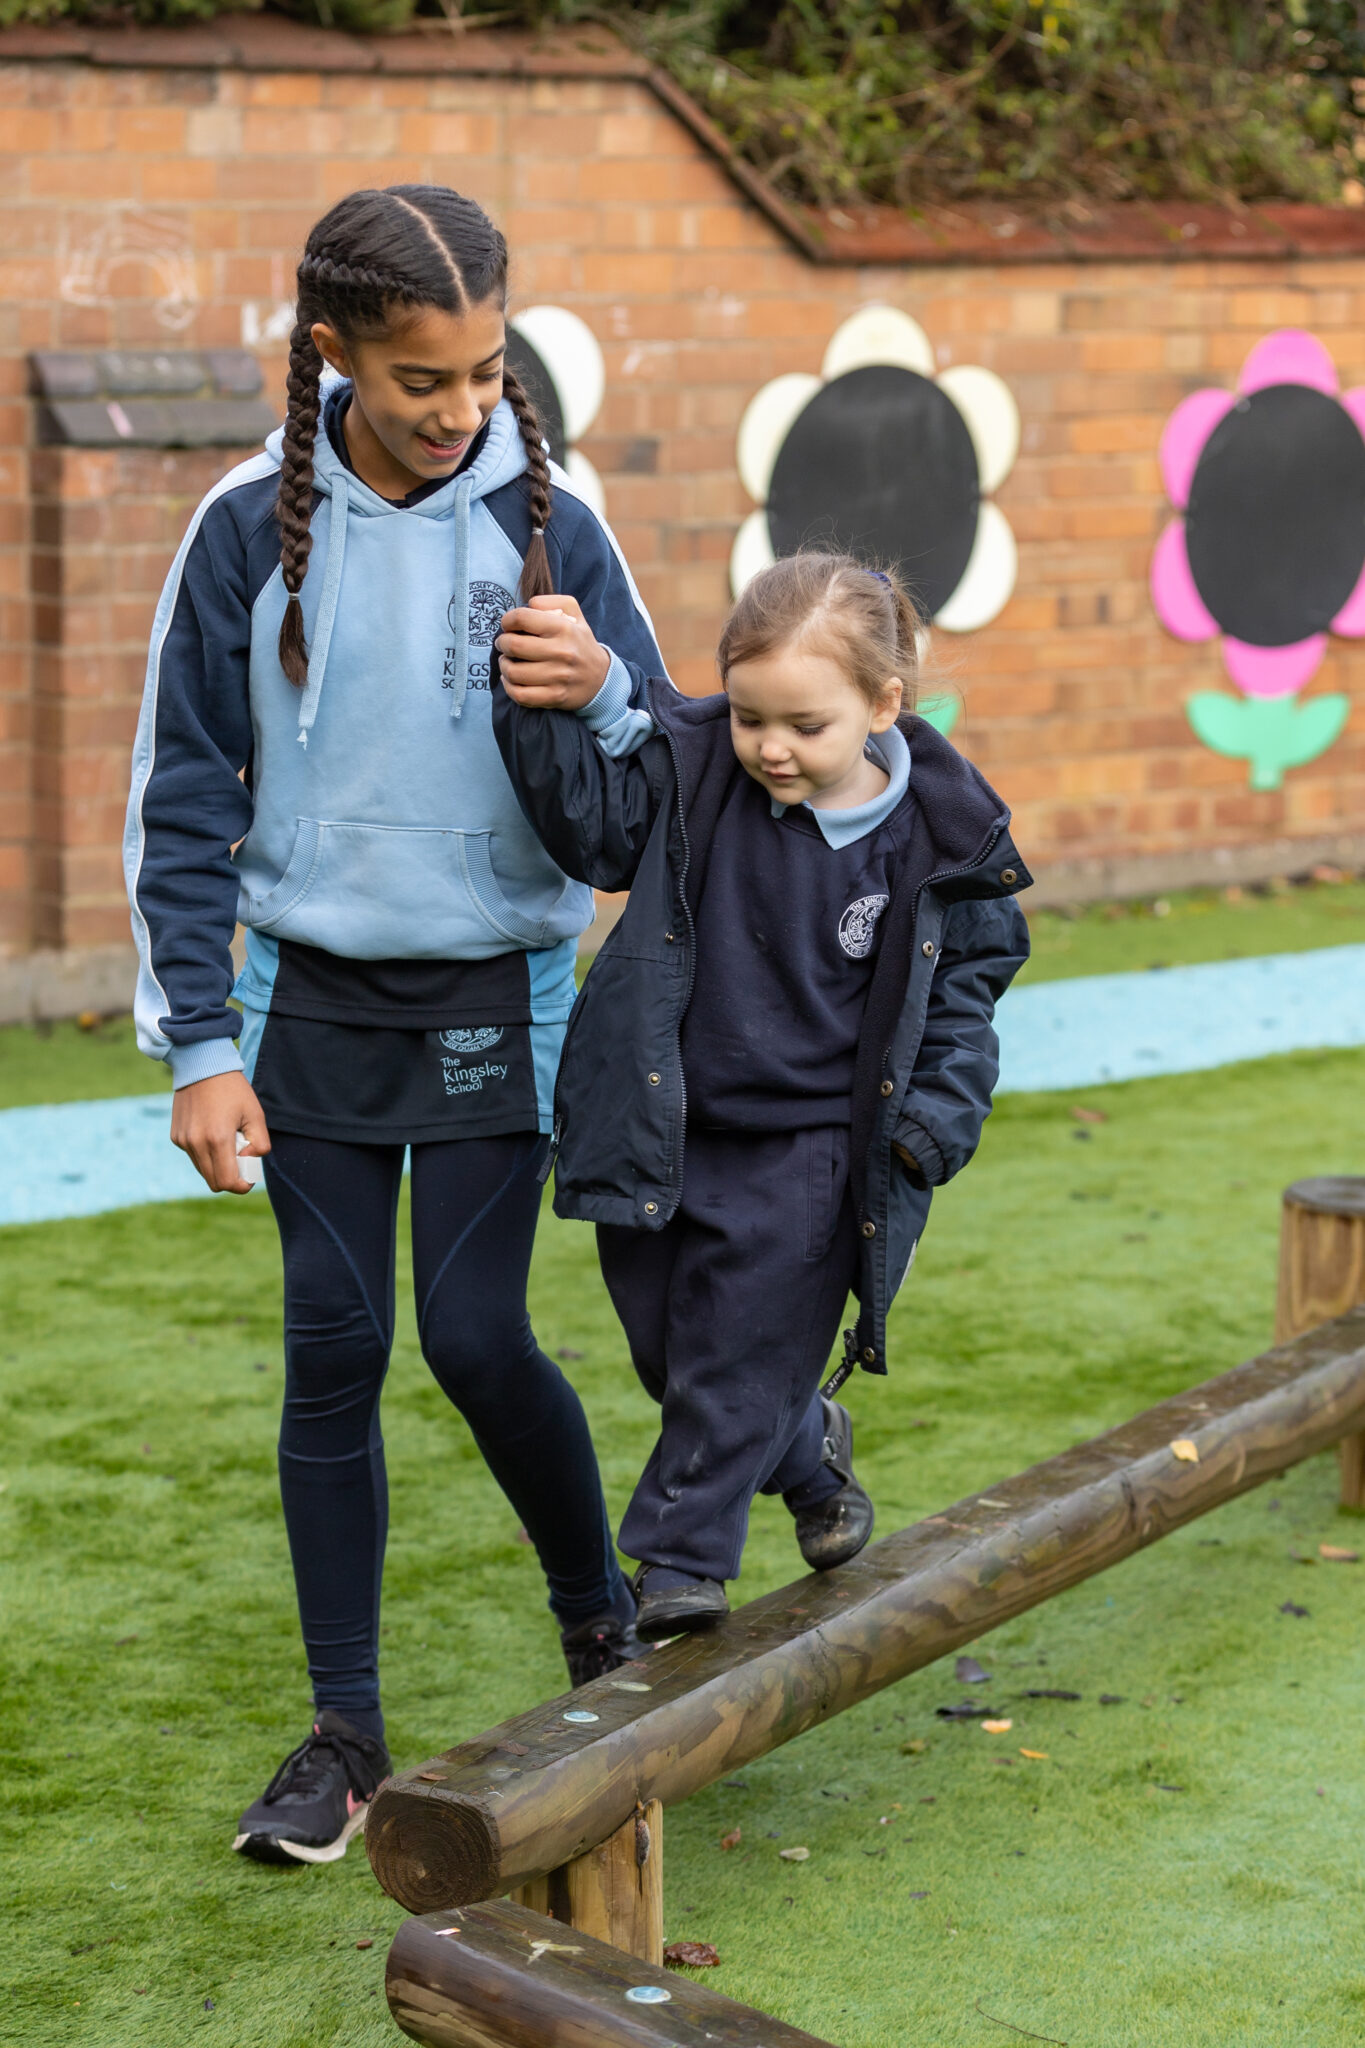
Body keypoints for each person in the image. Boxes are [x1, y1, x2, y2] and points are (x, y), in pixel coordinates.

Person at [124, 185, 667, 1866]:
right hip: (303, 1009)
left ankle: (603, 1626)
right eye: (421, 377)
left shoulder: (556, 525)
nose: (458, 407)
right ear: (333, 354)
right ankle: (345, 1730)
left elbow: (652, 784)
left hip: (500, 991)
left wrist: (606, 690)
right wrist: (198, 1041)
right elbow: (180, 790)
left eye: (486, 370)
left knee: (479, 1334)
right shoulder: (237, 528)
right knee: (333, 1349)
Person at [492, 551, 1031, 1642]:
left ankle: (681, 1563)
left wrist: (935, 1120)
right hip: (671, 1127)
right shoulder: (706, 766)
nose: (771, 748)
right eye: (750, 717)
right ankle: (806, 1441)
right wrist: (576, 687)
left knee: (737, 1357)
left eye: (804, 725)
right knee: (670, 1357)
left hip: (815, 1153)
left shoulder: (939, 842)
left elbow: (968, 992)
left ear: (884, 706)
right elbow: (638, 718)